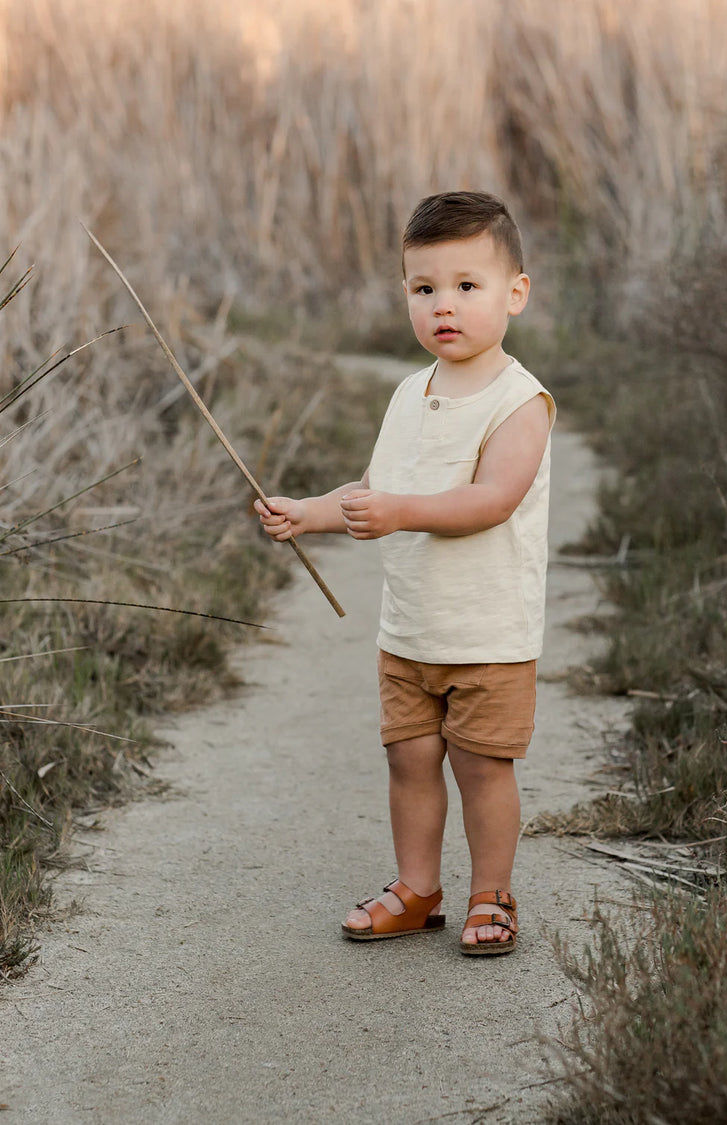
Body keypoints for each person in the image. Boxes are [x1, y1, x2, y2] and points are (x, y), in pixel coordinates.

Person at [255, 191, 555, 955]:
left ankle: (492, 893)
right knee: (410, 760)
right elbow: (372, 489)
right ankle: (418, 887)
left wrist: (400, 512)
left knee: (482, 767)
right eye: (424, 289)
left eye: (466, 286)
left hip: (487, 633)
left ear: (514, 293)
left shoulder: (520, 402)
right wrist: (309, 513)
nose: (442, 306)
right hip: (411, 629)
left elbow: (491, 500)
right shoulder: (406, 394)